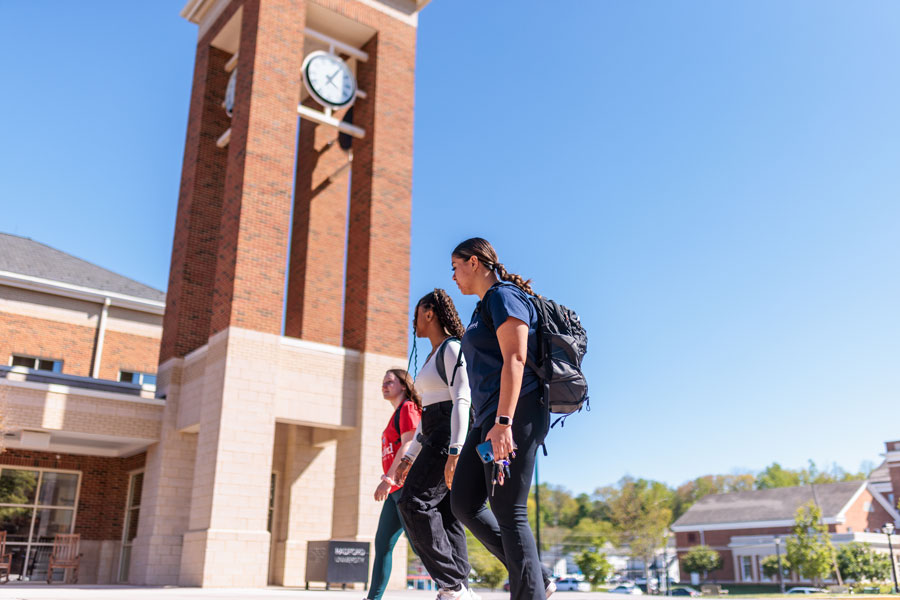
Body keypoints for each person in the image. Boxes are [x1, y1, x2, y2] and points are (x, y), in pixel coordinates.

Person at [448, 237, 556, 600]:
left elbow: (516, 359)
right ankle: (537, 575)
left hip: (516, 411)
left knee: (509, 510)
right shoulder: (481, 308)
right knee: (463, 500)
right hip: (487, 419)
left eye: (456, 267)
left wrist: (505, 423)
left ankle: (531, 592)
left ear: (475, 262)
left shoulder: (503, 296)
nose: (454, 276)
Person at [394, 289, 474, 600]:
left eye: (416, 313)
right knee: (444, 510)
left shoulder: (452, 349)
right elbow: (427, 416)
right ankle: (461, 586)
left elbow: (462, 401)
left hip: (447, 435)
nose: (413, 321)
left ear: (429, 313)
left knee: (413, 502)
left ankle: (452, 585)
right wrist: (408, 458)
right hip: (432, 433)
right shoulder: (432, 356)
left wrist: (455, 450)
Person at [367, 369, 422, 600]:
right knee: (383, 544)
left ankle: (455, 589)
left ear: (403, 385)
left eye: (390, 381)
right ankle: (373, 598)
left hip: (405, 486)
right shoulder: (396, 413)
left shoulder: (408, 407)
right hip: (395, 491)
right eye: (383, 382)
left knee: (422, 544)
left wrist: (388, 480)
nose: (384, 385)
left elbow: (409, 444)